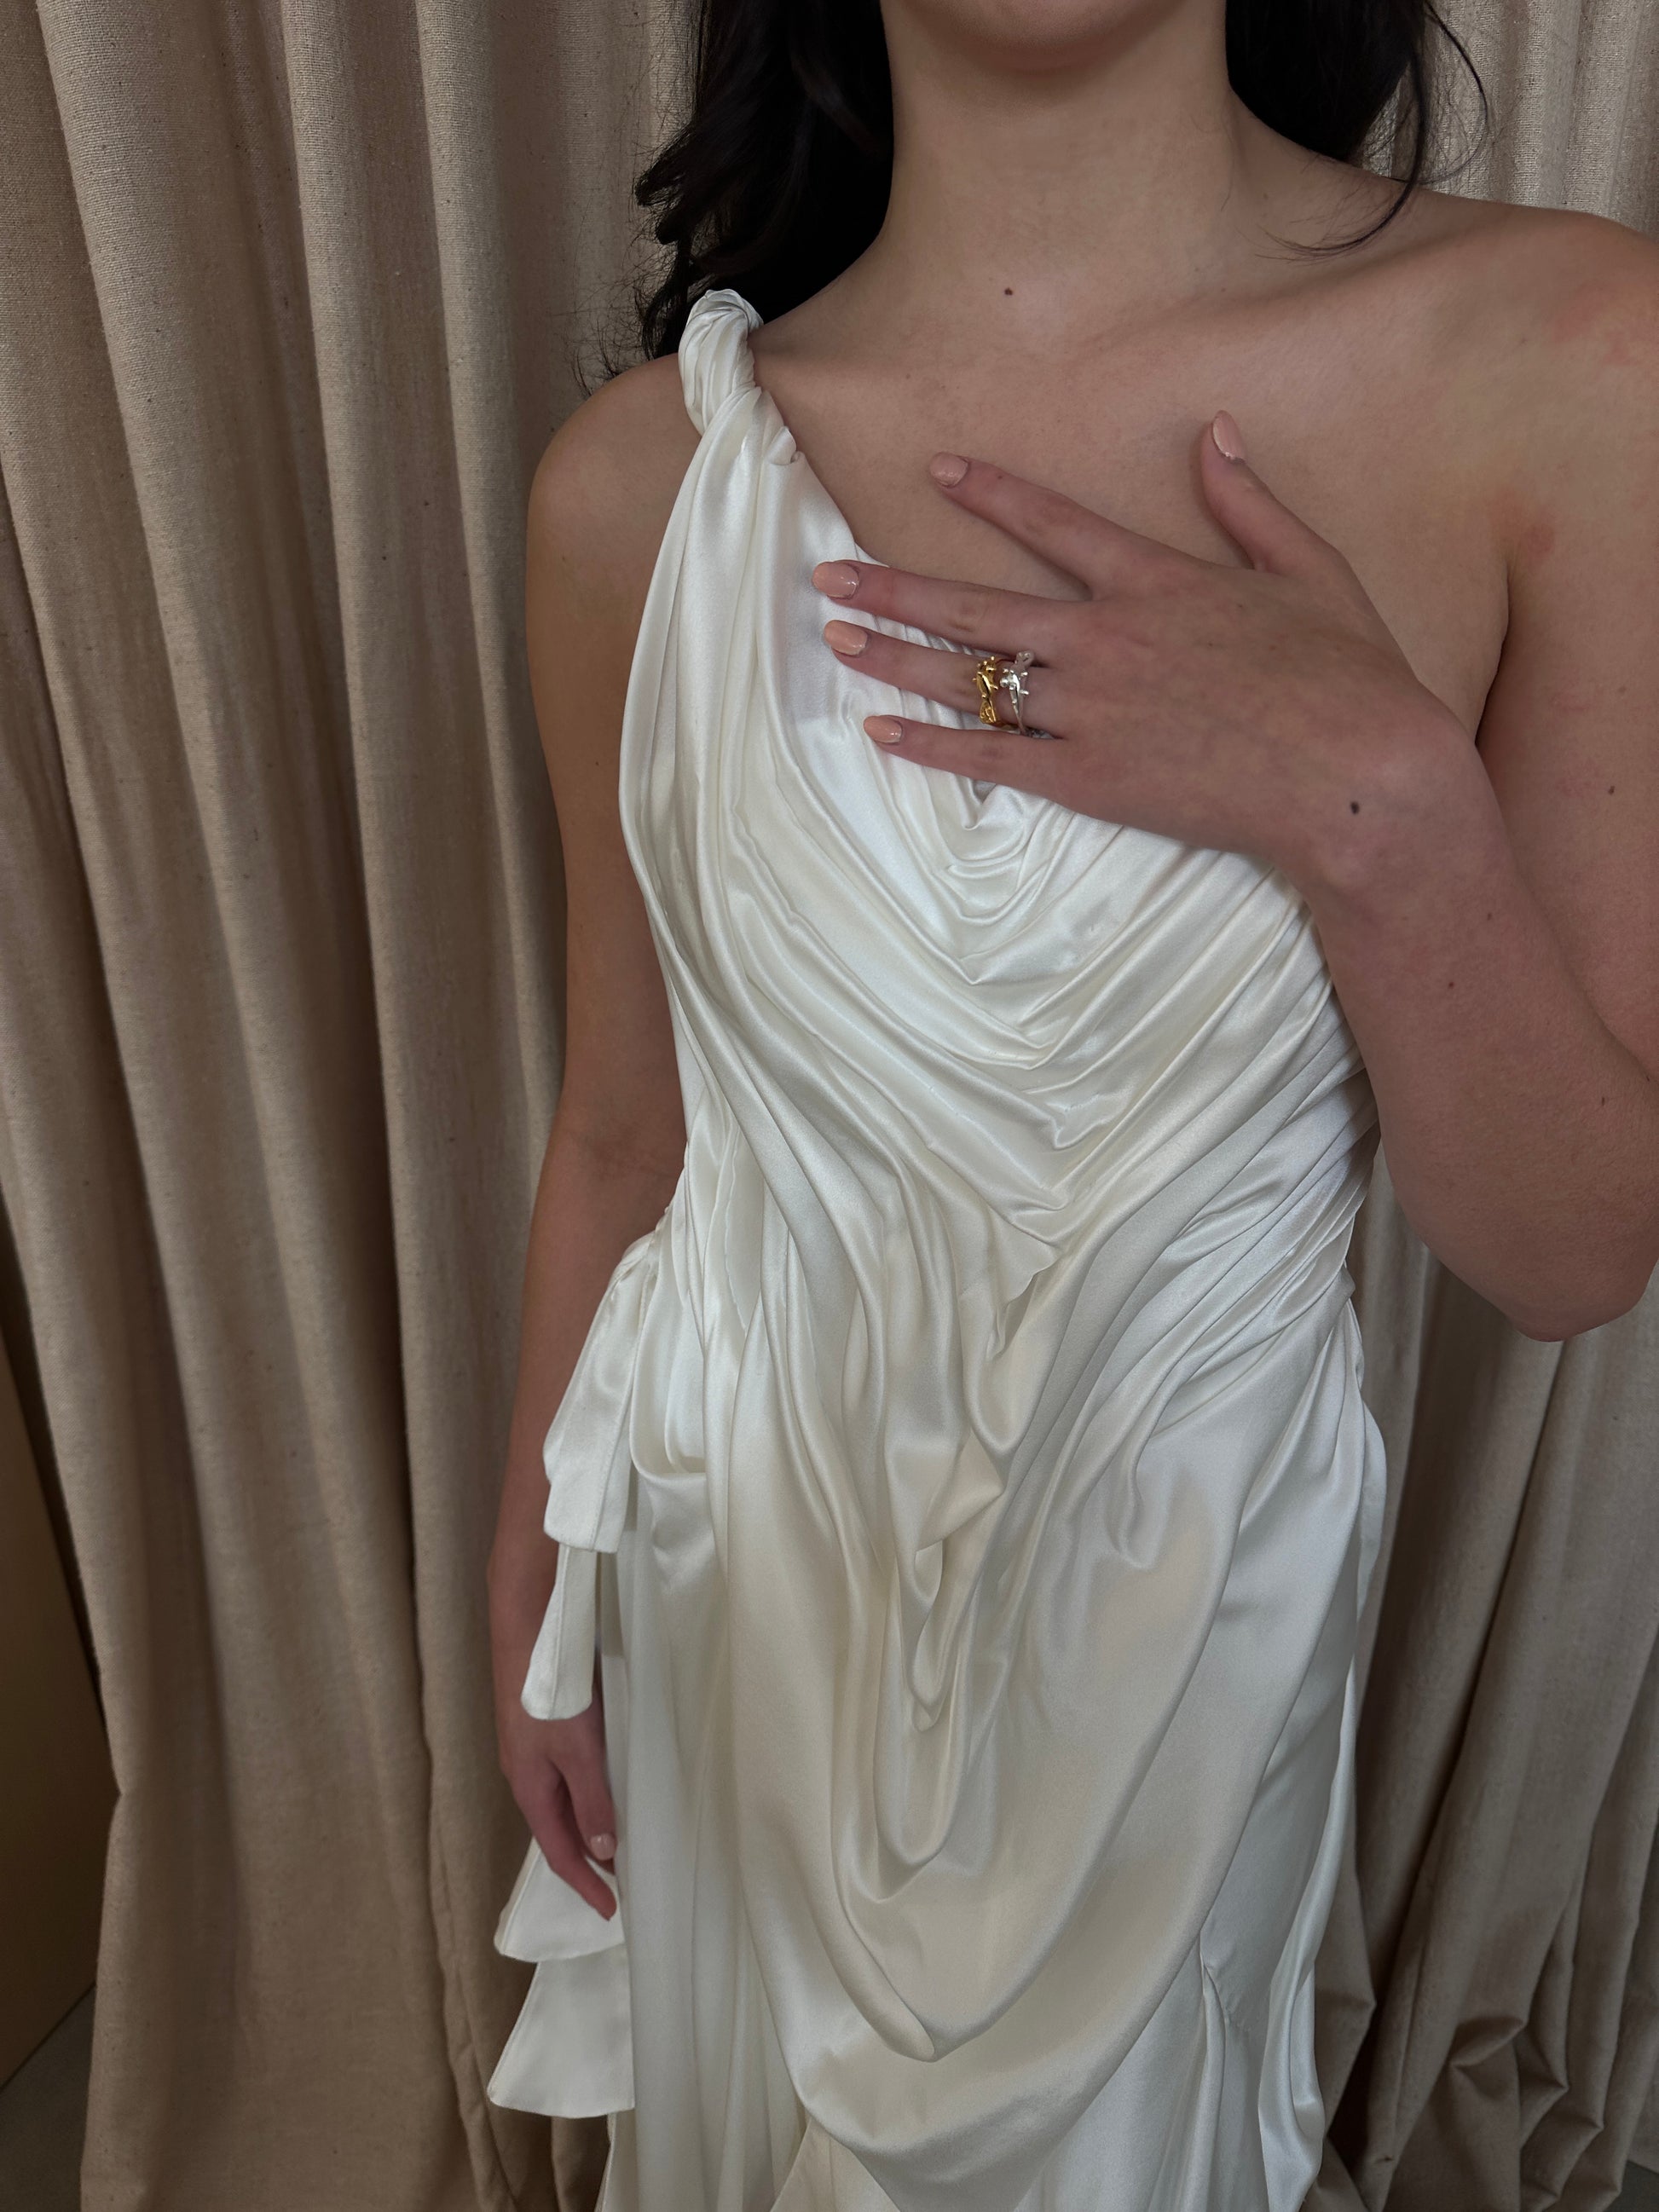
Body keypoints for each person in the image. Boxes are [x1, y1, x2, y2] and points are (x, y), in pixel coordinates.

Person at [483, 1, 1659, 2205]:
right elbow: (628, 1131)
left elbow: (1570, 1240)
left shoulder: (1567, 364)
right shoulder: (631, 491)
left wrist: (1378, 797)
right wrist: (533, 1567)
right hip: (745, 1620)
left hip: (1168, 1664)